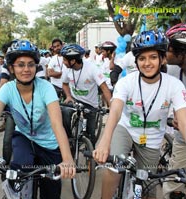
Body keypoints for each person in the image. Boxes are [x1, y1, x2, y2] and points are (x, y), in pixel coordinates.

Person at [0, 39, 76, 198]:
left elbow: (57, 124)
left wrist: (67, 159)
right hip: (24, 138)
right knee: (19, 173)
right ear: (11, 68)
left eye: (31, 64)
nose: (26, 69)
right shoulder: (7, 89)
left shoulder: (46, 88)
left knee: (51, 190)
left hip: (50, 143)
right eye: (20, 65)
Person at [93, 29, 186, 199]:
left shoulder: (175, 85)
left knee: (149, 189)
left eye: (153, 57)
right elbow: (115, 111)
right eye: (142, 58)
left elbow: (184, 119)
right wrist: (104, 142)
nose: (147, 63)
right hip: (125, 129)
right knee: (114, 166)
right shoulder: (126, 82)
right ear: (136, 62)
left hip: (151, 139)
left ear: (162, 59)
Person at [61, 44, 112, 145]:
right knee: (64, 113)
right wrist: (68, 96)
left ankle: (91, 157)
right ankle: (70, 140)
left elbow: (104, 88)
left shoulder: (92, 68)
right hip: (75, 101)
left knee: (90, 134)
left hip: (90, 104)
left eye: (65, 60)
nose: (63, 62)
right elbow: (65, 84)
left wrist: (112, 107)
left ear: (73, 61)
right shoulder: (66, 69)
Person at [163, 23, 186, 199]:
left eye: (168, 50)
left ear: (181, 53)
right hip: (181, 140)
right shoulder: (173, 71)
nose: (165, 55)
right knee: (173, 185)